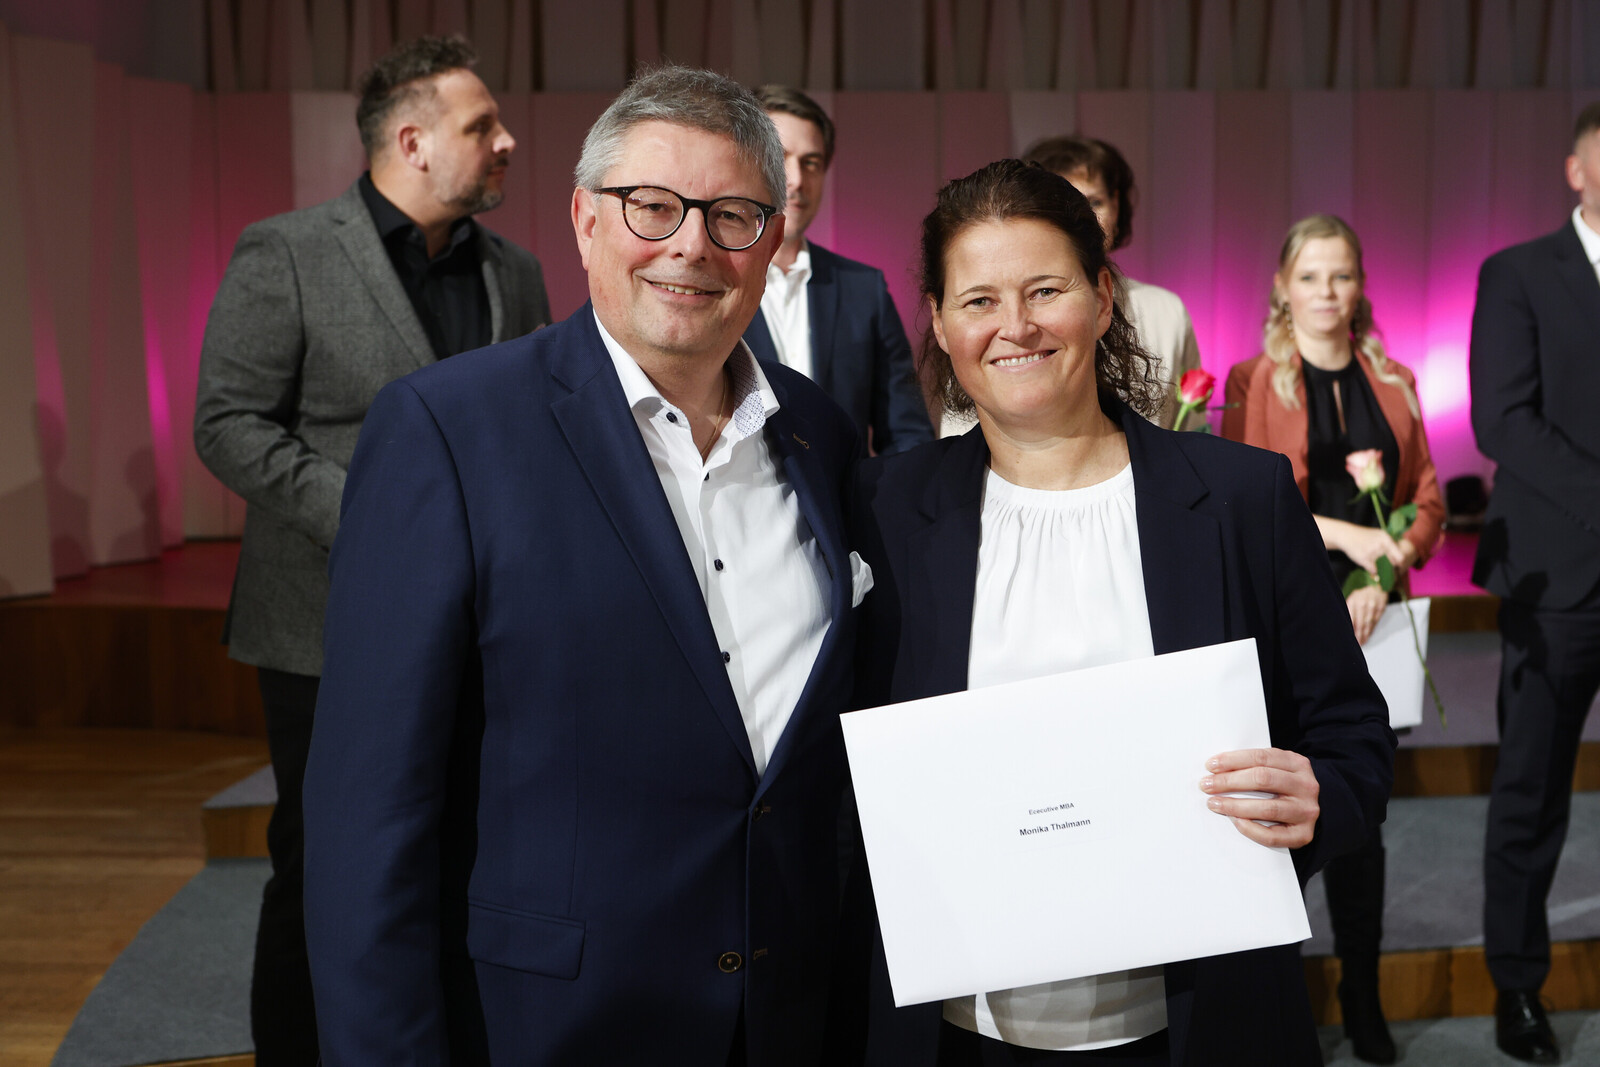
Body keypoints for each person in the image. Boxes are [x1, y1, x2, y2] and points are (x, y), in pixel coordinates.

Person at [302, 66, 866, 1065]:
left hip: (787, 1014)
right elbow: (368, 815)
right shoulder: (448, 429)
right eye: (653, 205)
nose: (691, 244)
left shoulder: (819, 433)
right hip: (550, 1025)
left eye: (732, 215)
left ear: (772, 237)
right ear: (585, 219)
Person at [849, 160, 1394, 1066]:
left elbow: (1354, 735)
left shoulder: (1242, 497)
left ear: (1104, 299)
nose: (1015, 325)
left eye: (1046, 290)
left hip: (1197, 1018)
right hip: (960, 1029)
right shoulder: (884, 508)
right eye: (978, 300)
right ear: (940, 325)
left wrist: (1318, 796)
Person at [191, 35, 548, 1064]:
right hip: (321, 622)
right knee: (323, 862)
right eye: (483, 125)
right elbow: (228, 422)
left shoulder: (516, 273)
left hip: (486, 621)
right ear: (412, 141)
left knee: (465, 848)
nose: (507, 141)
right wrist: (385, 521)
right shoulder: (286, 251)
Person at [1224, 214, 1444, 1065]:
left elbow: (1428, 500)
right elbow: (1246, 502)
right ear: (1283, 286)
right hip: (1290, 622)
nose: (1327, 291)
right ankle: (1277, 994)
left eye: (1342, 275)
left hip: (1377, 617)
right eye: (1311, 276)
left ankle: (1362, 988)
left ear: (1360, 286)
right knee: (1278, 814)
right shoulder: (1251, 380)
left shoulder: (1395, 378)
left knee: (1363, 811)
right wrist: (1350, 541)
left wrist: (1386, 569)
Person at [1469, 101, 1600, 1065]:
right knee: (1531, 790)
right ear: (1576, 170)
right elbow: (1503, 421)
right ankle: (1516, 984)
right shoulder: (1517, 273)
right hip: (1561, 578)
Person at [742, 85, 934, 454]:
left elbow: (908, 433)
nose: (797, 179)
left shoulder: (864, 290)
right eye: (780, 157)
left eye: (811, 163)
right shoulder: (709, 281)